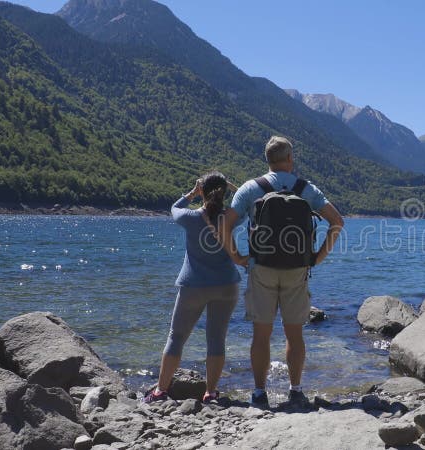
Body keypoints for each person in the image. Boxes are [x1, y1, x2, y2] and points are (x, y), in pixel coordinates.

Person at [220, 136, 344, 408]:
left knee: (261, 334)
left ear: (267, 160)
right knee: (294, 334)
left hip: (261, 267)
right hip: (297, 269)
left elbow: (225, 225)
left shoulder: (251, 188)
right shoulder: (306, 189)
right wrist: (317, 257)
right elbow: (337, 221)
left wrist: (238, 257)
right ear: (290, 159)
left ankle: (259, 392)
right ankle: (296, 390)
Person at [144, 171, 249, 404]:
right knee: (217, 339)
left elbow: (174, 207)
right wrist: (233, 188)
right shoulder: (231, 218)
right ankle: (210, 393)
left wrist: (192, 193)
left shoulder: (189, 218)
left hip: (193, 286)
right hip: (226, 286)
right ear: (224, 192)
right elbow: (247, 203)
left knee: (177, 337)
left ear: (202, 191)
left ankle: (160, 391)